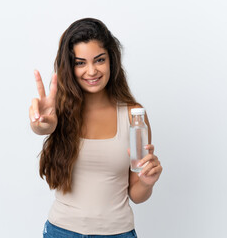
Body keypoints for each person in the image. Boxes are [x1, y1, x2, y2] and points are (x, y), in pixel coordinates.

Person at [29, 18, 162, 238]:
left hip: (117, 232)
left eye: (99, 60)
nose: (91, 71)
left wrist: (147, 183)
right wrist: (41, 123)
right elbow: (42, 127)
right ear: (70, 67)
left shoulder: (133, 116)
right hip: (61, 231)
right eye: (80, 62)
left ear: (111, 60)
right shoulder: (58, 112)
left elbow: (136, 194)